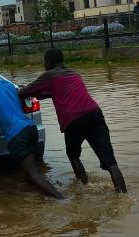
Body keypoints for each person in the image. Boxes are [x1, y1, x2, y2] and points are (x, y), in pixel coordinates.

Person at [19, 49, 128, 194]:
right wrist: (37, 94)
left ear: (49, 62)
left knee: (73, 155)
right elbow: (52, 93)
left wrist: (19, 91)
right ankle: (123, 196)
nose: (44, 65)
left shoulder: (50, 75)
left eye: (45, 62)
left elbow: (24, 92)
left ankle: (84, 186)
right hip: (95, 114)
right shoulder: (74, 74)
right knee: (110, 160)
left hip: (75, 119)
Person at [0, 59, 64, 199]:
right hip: (30, 128)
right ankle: (38, 201)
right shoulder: (9, 84)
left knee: (34, 174)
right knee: (30, 175)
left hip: (17, 134)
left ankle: (62, 200)